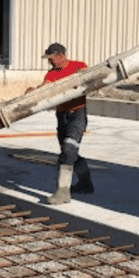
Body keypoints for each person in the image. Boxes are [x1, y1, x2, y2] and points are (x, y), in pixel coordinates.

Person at [28, 42, 94, 204]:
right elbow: (45, 87)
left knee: (69, 149)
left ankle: (63, 192)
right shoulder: (52, 74)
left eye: (51, 59)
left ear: (60, 56)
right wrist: (33, 91)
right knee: (68, 151)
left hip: (77, 114)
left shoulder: (79, 66)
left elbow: (88, 78)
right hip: (62, 116)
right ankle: (86, 184)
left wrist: (83, 76)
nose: (49, 62)